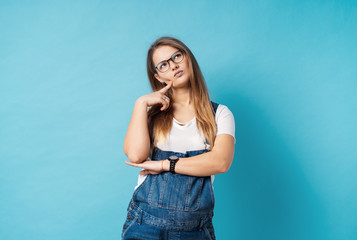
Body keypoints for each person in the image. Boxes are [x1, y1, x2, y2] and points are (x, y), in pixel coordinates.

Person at [122, 36, 235, 240]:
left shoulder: (220, 114)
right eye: (164, 65)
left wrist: (165, 165)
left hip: (195, 230)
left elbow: (221, 162)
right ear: (158, 77)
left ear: (188, 58)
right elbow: (135, 155)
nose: (173, 66)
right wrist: (140, 104)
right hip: (144, 225)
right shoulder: (152, 116)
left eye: (177, 56)